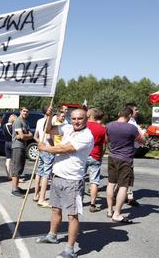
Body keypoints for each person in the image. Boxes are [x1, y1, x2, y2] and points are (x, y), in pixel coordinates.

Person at [36, 108, 94, 258]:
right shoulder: (67, 127)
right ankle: (52, 235)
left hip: (72, 180)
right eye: (74, 118)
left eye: (80, 118)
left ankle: (70, 250)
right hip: (57, 176)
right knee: (55, 209)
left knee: (72, 215)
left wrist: (45, 148)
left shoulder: (86, 136)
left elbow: (63, 148)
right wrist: (49, 116)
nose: (76, 121)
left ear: (86, 119)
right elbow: (47, 129)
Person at [105, 108, 146, 223]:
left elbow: (106, 140)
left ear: (119, 114)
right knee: (123, 186)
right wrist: (142, 133)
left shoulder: (109, 125)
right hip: (125, 158)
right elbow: (142, 141)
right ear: (129, 115)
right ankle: (117, 214)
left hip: (112, 156)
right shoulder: (131, 128)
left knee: (111, 183)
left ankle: (109, 210)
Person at [85, 108, 107, 212]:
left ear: (90, 114)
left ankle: (78, 201)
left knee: (79, 178)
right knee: (94, 181)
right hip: (96, 155)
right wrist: (101, 155)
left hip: (83, 155)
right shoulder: (102, 128)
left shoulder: (83, 125)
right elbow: (104, 144)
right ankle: (93, 204)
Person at [32, 106, 55, 207]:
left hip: (41, 149)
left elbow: (35, 136)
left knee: (39, 172)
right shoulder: (50, 122)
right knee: (46, 174)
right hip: (48, 149)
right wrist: (54, 147)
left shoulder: (39, 121)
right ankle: (41, 198)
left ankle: (36, 195)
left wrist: (40, 143)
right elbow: (49, 137)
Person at [124, 102, 144, 207]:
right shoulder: (130, 123)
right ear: (130, 111)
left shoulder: (132, 121)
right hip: (128, 151)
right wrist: (143, 139)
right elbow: (138, 136)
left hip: (128, 150)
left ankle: (121, 195)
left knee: (125, 174)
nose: (138, 111)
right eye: (136, 110)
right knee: (128, 174)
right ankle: (129, 197)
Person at [10, 107, 33, 197]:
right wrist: (25, 136)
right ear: (20, 111)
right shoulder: (18, 121)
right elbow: (22, 136)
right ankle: (14, 189)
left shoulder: (26, 122)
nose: (25, 113)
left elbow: (30, 135)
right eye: (24, 111)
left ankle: (17, 187)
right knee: (16, 168)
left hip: (23, 146)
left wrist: (24, 136)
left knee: (20, 168)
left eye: (27, 111)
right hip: (17, 146)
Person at [2, 114, 17, 180]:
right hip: (13, 143)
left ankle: (8, 175)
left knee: (8, 159)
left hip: (6, 143)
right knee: (14, 160)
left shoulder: (4, 126)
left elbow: (4, 134)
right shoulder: (14, 126)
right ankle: (14, 176)